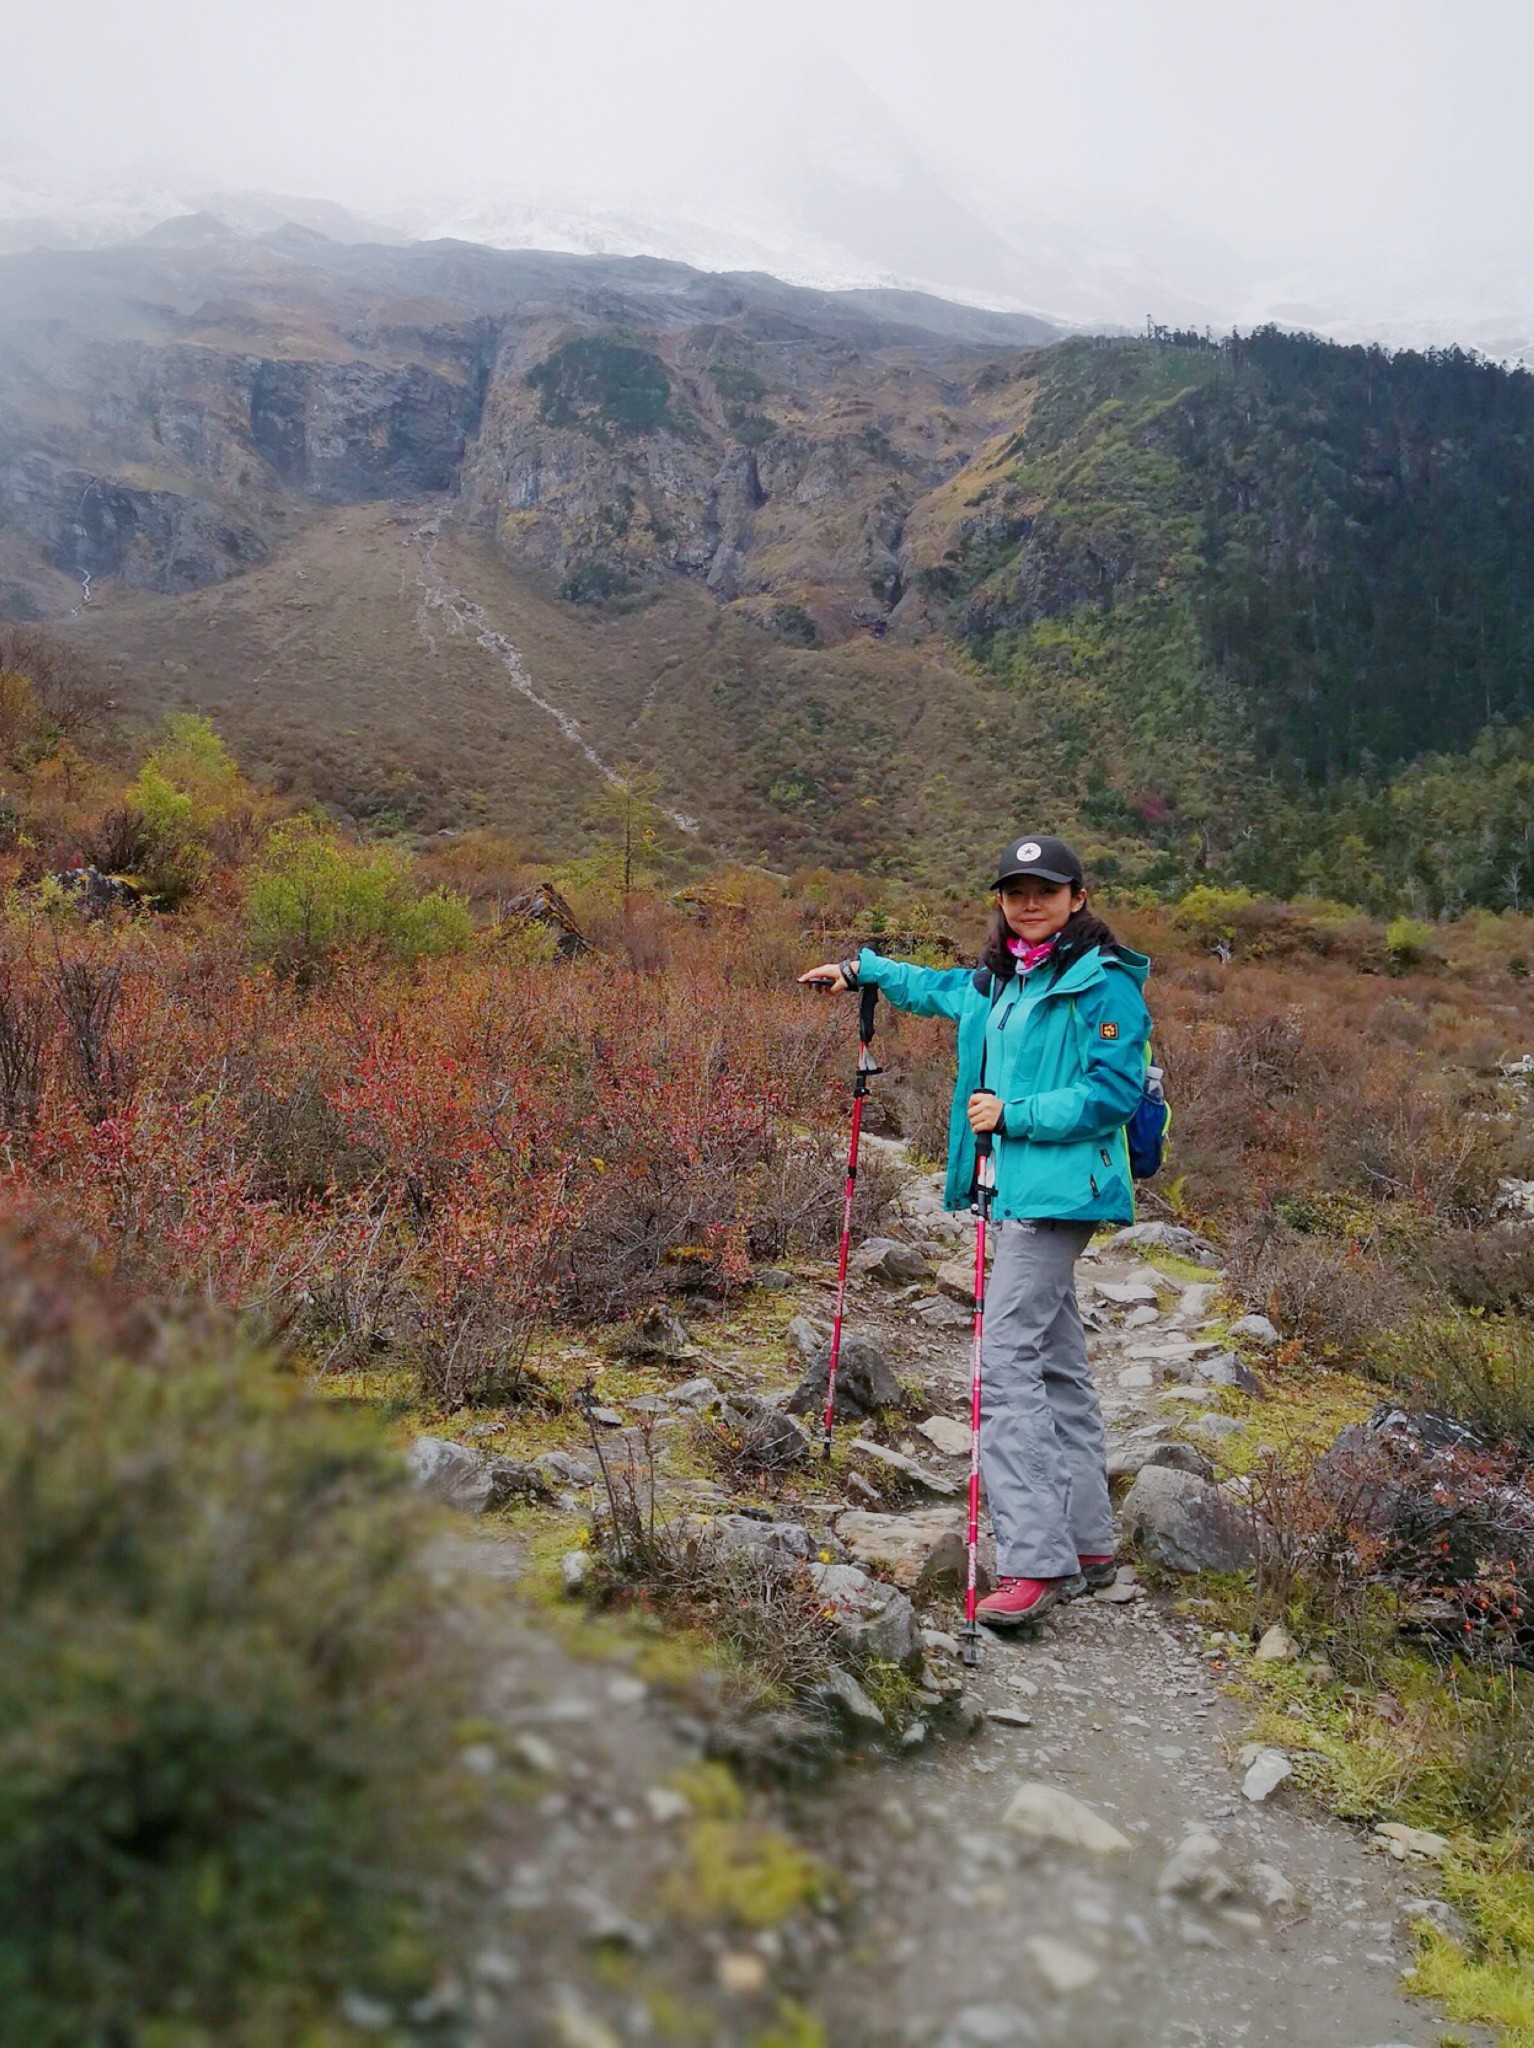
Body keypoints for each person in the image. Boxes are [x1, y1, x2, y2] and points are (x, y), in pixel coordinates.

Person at [799, 834, 1152, 1626]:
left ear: (1077, 898)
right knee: (1057, 1362)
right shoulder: (1000, 982)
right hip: (1012, 1191)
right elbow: (935, 989)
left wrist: (1015, 1115)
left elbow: (1113, 1094)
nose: (1030, 903)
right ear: (1001, 900)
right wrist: (863, 971)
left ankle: (1035, 1560)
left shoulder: (1104, 986)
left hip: (1060, 1198)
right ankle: (1090, 1544)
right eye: (1015, 891)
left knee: (1003, 1368)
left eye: (1046, 891)